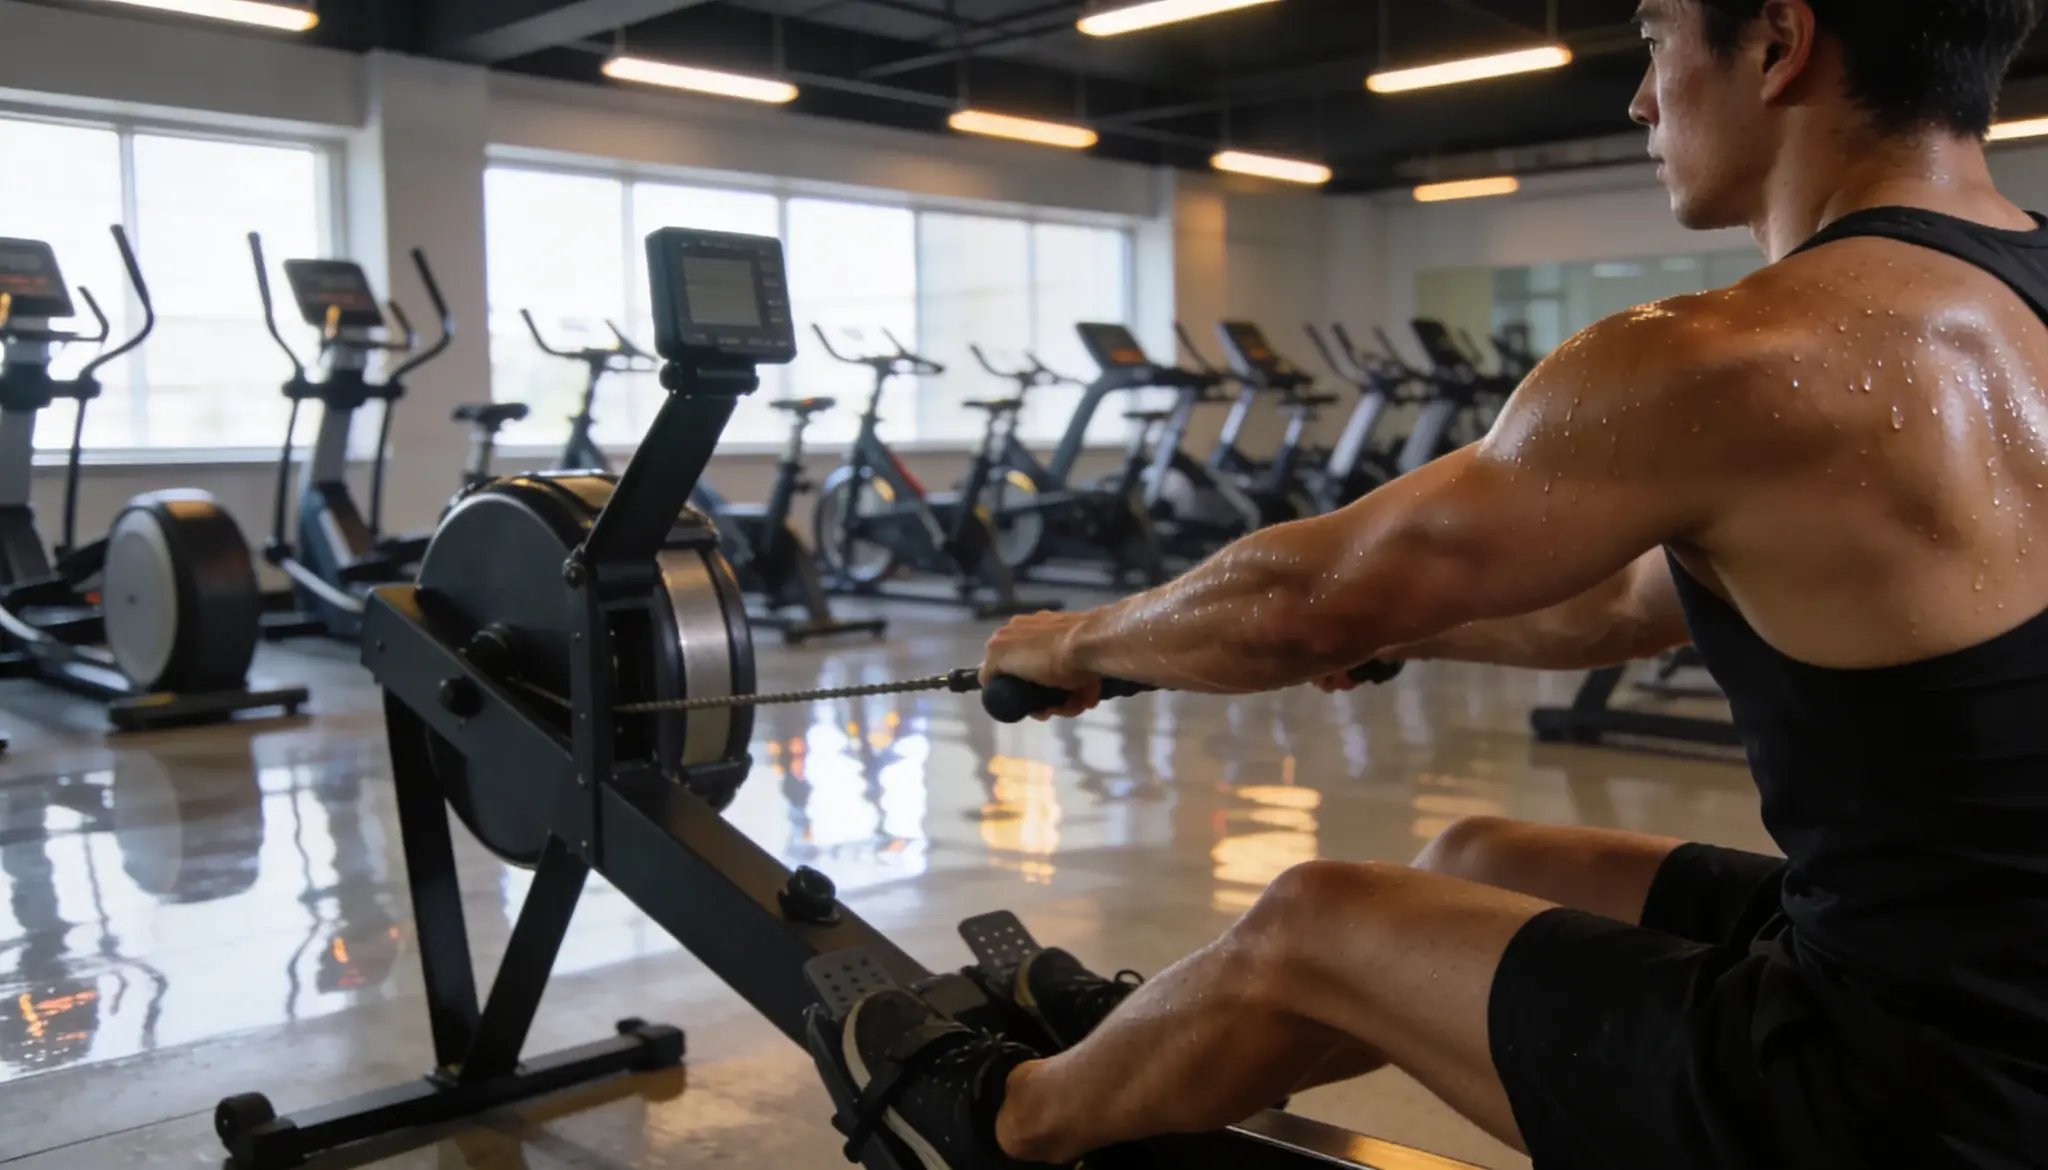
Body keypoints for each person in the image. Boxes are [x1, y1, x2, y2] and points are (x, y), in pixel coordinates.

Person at [827, 1, 2048, 1167]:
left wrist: (1073, 640)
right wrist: (1411, 634)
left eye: (1654, 38)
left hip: (1913, 1102)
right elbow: (1625, 604)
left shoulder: (1730, 351)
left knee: (1311, 921)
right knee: (1475, 854)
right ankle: (1144, 1054)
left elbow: (1302, 601)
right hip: (1983, 981)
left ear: (1776, 40)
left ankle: (998, 1125)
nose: (1639, 98)